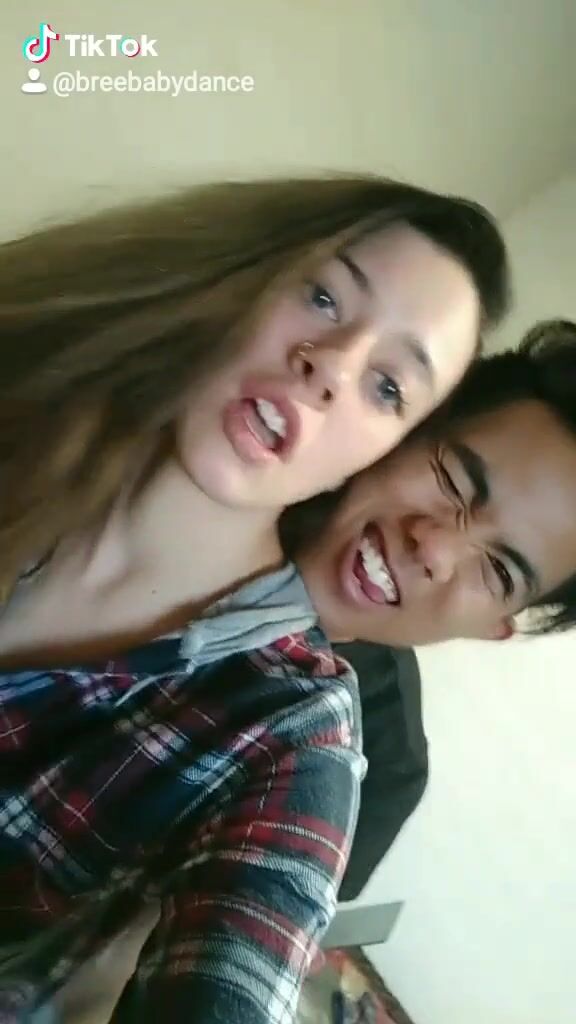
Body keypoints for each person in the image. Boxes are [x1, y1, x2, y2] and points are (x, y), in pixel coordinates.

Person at [0, 176, 507, 1023]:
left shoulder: (297, 740)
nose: (331, 365)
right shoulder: (34, 393)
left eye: (388, 388)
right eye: (323, 295)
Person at [284, 318, 576, 897]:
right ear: (407, 431)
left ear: (494, 627)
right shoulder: (182, 486)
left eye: (499, 572)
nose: (436, 549)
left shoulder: (373, 775)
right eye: (456, 481)